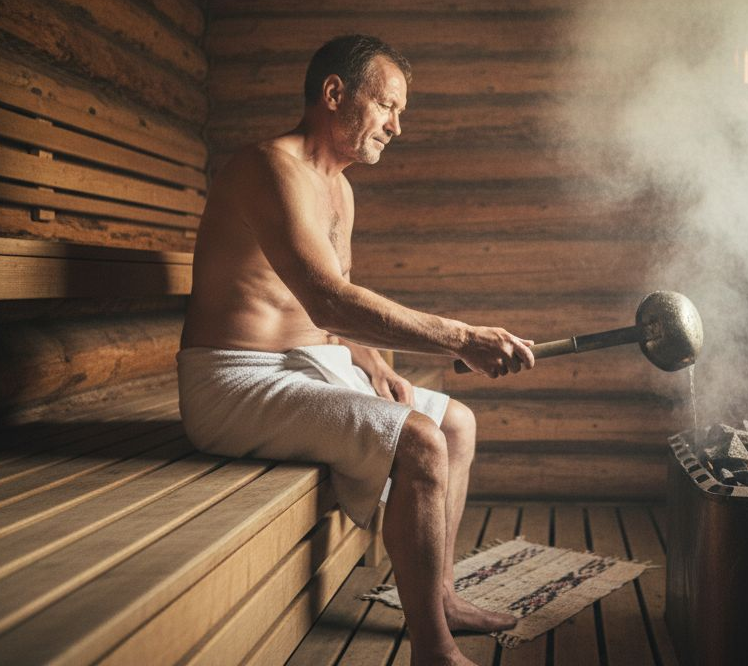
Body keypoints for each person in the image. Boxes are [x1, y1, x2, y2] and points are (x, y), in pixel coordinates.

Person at [177, 35, 535, 666]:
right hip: (235, 380)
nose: (397, 126)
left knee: (456, 422)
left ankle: (442, 596)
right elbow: (329, 300)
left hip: (310, 366)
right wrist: (460, 337)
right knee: (420, 439)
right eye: (387, 106)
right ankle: (433, 646)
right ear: (335, 93)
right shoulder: (267, 167)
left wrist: (370, 361)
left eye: (401, 113)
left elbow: (334, 318)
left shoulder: (341, 190)